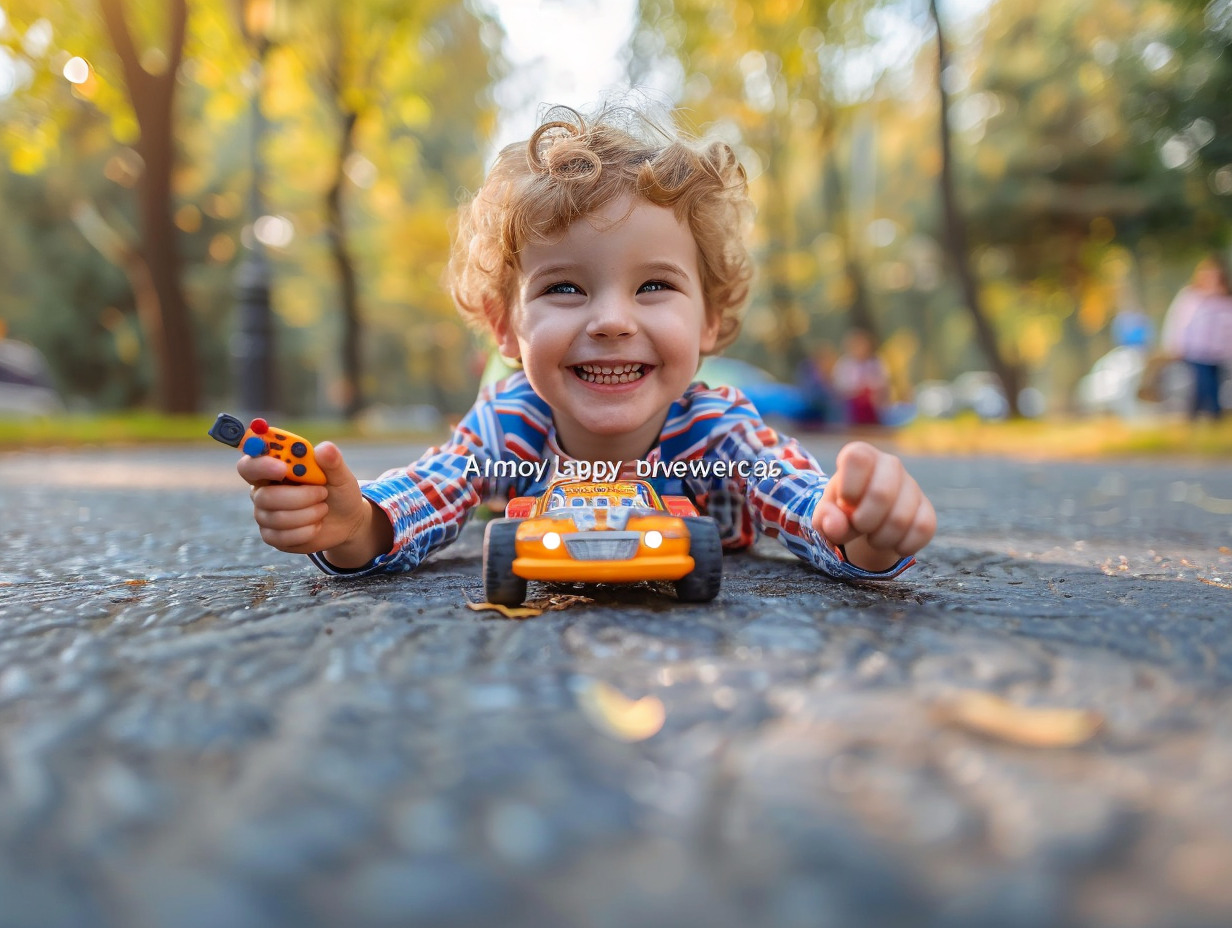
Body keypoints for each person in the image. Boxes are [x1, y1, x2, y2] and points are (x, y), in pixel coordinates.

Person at [237, 107, 936, 583]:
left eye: (654, 287)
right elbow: (423, 493)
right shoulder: (509, 426)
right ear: (507, 327)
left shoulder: (720, 432)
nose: (609, 321)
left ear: (709, 322)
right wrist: (354, 524)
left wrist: (861, 530)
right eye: (565, 289)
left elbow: (803, 503)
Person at [1160, 254, 1232, 419]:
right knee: (1205, 382)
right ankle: (1215, 414)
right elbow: (1178, 321)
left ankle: (1193, 414)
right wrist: (1174, 343)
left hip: (1219, 350)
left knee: (1209, 383)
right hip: (1196, 348)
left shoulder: (1226, 297)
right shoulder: (1191, 296)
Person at [832, 328, 889, 426]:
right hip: (851, 408)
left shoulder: (876, 362)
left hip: (872, 408)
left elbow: (882, 382)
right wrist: (856, 392)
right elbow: (839, 386)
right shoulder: (844, 364)